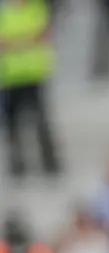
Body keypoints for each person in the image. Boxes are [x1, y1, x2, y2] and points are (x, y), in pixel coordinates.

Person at [0, 0, 62, 177]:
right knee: (13, 125)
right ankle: (17, 165)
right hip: (11, 77)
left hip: (34, 75)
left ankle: (50, 164)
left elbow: (43, 34)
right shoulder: (5, 12)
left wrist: (14, 43)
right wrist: (27, 40)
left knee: (41, 122)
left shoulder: (37, 8)